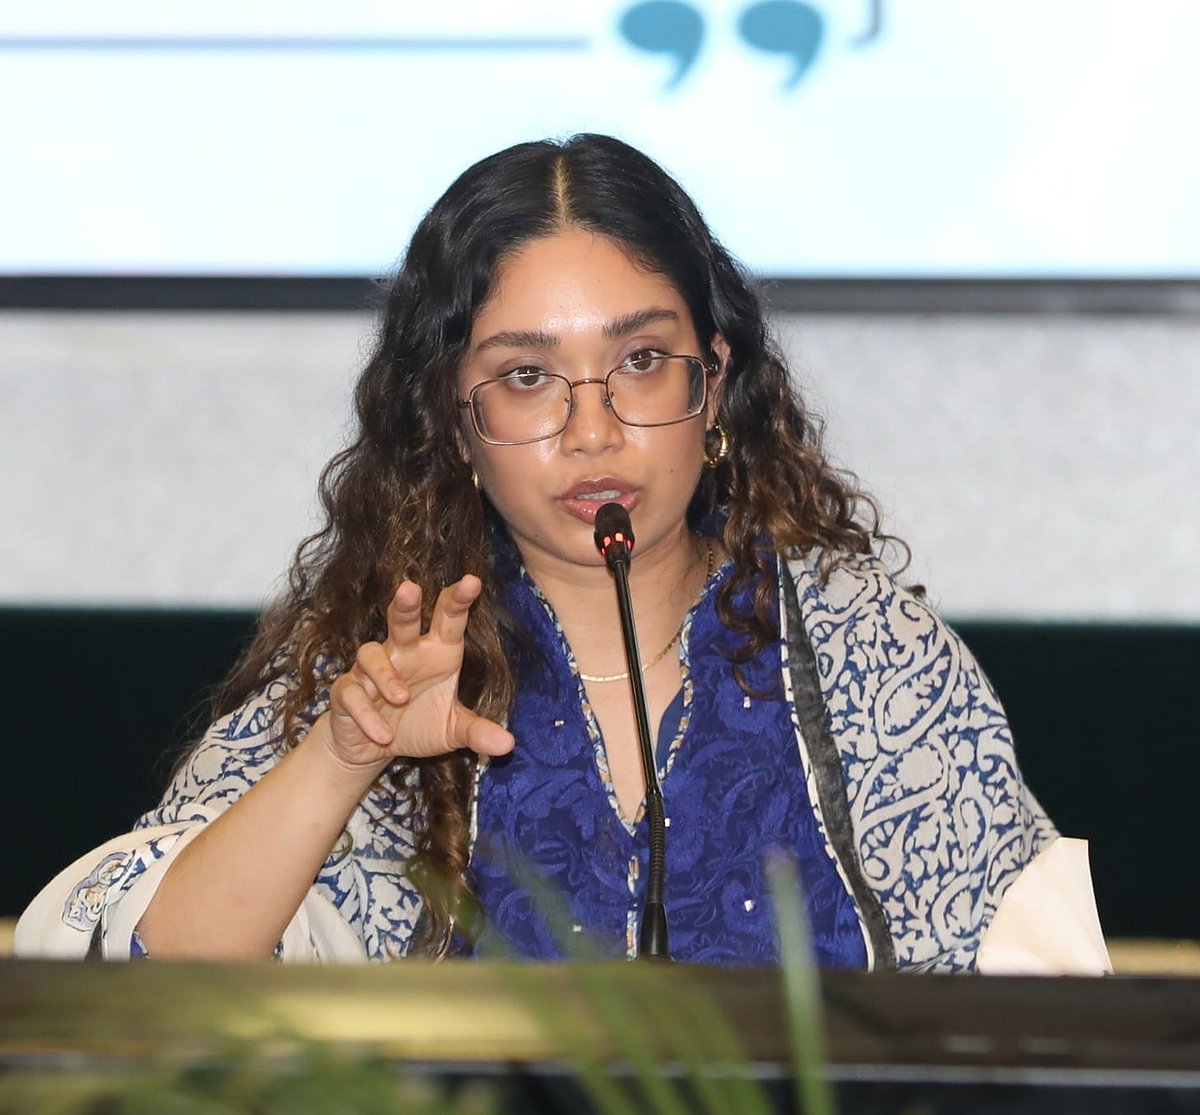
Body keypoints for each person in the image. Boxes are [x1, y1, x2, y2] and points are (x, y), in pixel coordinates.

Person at [17, 134, 1108, 972]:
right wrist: (346, 755)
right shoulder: (387, 658)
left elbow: (1035, 1012)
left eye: (640, 360)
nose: (594, 432)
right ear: (452, 420)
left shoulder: (864, 648)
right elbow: (144, 976)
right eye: (529, 376)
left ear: (712, 384)